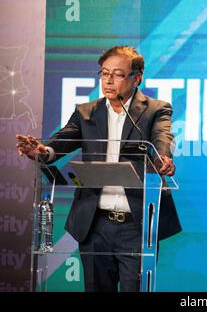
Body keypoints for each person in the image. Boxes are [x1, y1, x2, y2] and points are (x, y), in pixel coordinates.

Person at [16, 45, 182, 292]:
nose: (109, 81)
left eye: (118, 74)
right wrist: (41, 151)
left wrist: (162, 159)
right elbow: (59, 143)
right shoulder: (86, 112)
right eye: (104, 73)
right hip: (95, 225)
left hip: (136, 226)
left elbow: (162, 139)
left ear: (137, 78)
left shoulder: (156, 109)